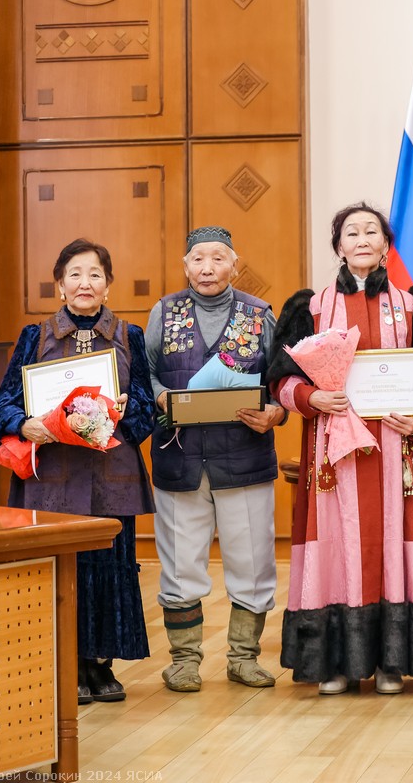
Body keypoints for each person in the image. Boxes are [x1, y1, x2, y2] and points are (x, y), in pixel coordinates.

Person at [266, 204, 413, 695]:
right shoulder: (309, 307)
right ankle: (336, 663)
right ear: (338, 246)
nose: (363, 238)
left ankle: (391, 662)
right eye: (352, 231)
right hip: (332, 452)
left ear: (386, 244)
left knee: (391, 543)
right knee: (336, 547)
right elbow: (278, 380)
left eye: (372, 231)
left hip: (394, 446)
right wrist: (310, 397)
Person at [0, 239, 153, 705]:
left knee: (108, 565)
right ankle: (62, 663)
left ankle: (100, 667)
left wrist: (126, 409)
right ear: (60, 285)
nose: (86, 283)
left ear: (108, 284)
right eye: (75, 274)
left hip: (110, 474)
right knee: (59, 569)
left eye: (96, 274)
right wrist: (25, 423)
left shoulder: (129, 336)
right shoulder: (34, 337)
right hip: (51, 479)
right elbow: (3, 404)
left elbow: (145, 407)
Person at [147, 225, 286, 692]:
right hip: (179, 460)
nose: (207, 268)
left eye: (218, 258)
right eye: (198, 259)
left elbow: (283, 379)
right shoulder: (164, 313)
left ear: (235, 263)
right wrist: (162, 398)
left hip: (243, 459)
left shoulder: (259, 313)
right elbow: (142, 373)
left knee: (252, 562)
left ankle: (244, 658)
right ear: (185, 265)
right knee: (181, 563)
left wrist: (276, 412)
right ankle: (184, 661)